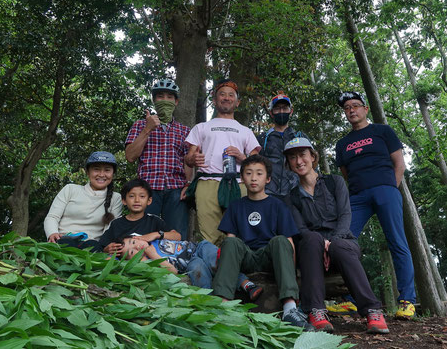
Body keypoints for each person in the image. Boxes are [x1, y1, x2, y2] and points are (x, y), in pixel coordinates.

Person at [284, 138, 389, 334]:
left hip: (342, 242)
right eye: (292, 157)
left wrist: (331, 243)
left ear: (313, 157)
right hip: (311, 250)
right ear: (288, 163)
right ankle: (316, 311)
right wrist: (321, 244)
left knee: (339, 246)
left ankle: (372, 311)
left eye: (303, 155)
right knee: (311, 239)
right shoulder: (291, 197)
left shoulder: (335, 182)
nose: (299, 161)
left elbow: (345, 215)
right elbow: (300, 229)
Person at [101, 179, 259, 297]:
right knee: (199, 272)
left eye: (141, 196)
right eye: (131, 196)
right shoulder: (118, 226)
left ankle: (246, 284)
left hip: (197, 248)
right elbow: (106, 252)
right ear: (124, 200)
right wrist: (107, 249)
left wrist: (156, 234)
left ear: (149, 200)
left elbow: (177, 235)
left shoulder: (153, 220)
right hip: (188, 263)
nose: (136, 200)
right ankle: (213, 304)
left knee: (217, 262)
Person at [335, 91, 416, 319]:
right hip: (358, 197)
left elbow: (399, 163)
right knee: (342, 242)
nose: (352, 110)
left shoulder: (383, 131)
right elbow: (346, 174)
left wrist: (392, 187)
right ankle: (350, 300)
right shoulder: (342, 143)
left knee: (397, 242)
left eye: (355, 106)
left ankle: (407, 301)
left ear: (365, 109)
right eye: (347, 108)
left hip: (385, 190)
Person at [212, 154, 313, 331]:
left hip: (270, 257)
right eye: (249, 173)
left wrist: (292, 276)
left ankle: (290, 309)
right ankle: (223, 306)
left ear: (268, 179)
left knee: (281, 241)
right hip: (247, 257)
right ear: (242, 178)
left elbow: (289, 243)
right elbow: (230, 242)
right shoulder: (236, 206)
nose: (253, 178)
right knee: (229, 243)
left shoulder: (278, 205)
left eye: (259, 173)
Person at [184, 79, 261, 245]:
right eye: (222, 94)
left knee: (240, 233)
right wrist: (193, 159)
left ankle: (239, 268)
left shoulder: (245, 131)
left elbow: (257, 163)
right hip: (207, 182)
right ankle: (212, 268)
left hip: (238, 183)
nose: (226, 98)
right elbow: (189, 157)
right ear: (214, 100)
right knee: (209, 236)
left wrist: (242, 157)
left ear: (237, 102)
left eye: (231, 95)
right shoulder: (201, 127)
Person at [125, 78, 192, 239]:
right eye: (160, 96)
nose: (165, 100)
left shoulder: (184, 130)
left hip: (176, 189)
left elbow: (187, 161)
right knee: (141, 236)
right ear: (154, 100)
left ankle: (175, 264)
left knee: (177, 237)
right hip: (147, 189)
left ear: (176, 102)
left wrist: (188, 184)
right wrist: (147, 129)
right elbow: (130, 156)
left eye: (170, 97)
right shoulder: (140, 125)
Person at [44, 151, 123, 251]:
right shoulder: (70, 189)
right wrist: (52, 233)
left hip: (92, 245)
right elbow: (52, 216)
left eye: (107, 170)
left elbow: (110, 228)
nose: (102, 174)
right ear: (87, 172)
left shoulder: (116, 198)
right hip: (63, 240)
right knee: (66, 244)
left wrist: (104, 247)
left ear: (113, 174)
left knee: (93, 247)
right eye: (96, 169)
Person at [257, 93, 307, 200]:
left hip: (297, 194)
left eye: (285, 108)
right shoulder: (263, 139)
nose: (281, 112)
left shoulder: (300, 136)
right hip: (268, 194)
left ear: (291, 111)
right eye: (277, 109)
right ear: (271, 113)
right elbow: (255, 166)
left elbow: (311, 166)